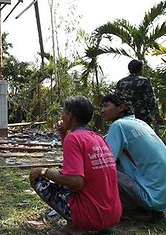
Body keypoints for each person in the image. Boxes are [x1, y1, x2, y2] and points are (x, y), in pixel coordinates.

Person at [30, 96, 121, 234]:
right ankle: (85, 222)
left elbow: (76, 182)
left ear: (70, 116)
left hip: (92, 217)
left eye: (63, 112)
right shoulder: (98, 138)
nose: (62, 116)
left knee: (37, 177)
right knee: (63, 177)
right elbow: (73, 160)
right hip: (112, 214)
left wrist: (44, 171)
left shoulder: (74, 138)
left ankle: (75, 227)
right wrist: (63, 134)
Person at [101, 92, 166, 222]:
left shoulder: (118, 125)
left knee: (102, 168)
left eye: (106, 106)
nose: (102, 110)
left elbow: (106, 161)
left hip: (150, 197)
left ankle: (134, 210)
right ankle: (145, 209)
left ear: (121, 107)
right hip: (164, 196)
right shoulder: (140, 123)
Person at [116, 59, 160, 126]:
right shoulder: (144, 81)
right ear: (141, 69)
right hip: (142, 116)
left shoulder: (121, 82)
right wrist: (156, 115)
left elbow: (116, 100)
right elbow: (151, 99)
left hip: (125, 117)